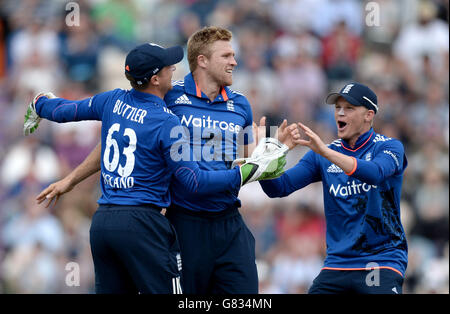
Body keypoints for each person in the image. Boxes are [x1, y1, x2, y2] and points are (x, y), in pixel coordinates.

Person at [23, 43, 286, 294]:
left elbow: (66, 110)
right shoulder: (168, 123)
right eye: (168, 67)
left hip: (103, 223)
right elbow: (193, 181)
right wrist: (250, 170)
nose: (174, 68)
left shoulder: (112, 100)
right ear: (155, 79)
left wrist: (39, 104)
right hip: (143, 224)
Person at [261, 82, 408, 294]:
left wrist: (327, 153)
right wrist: (267, 158)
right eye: (338, 108)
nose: (340, 113)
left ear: (368, 115)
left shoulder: (389, 146)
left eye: (349, 108)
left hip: (380, 259)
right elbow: (278, 188)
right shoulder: (321, 154)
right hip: (337, 263)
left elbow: (375, 173)